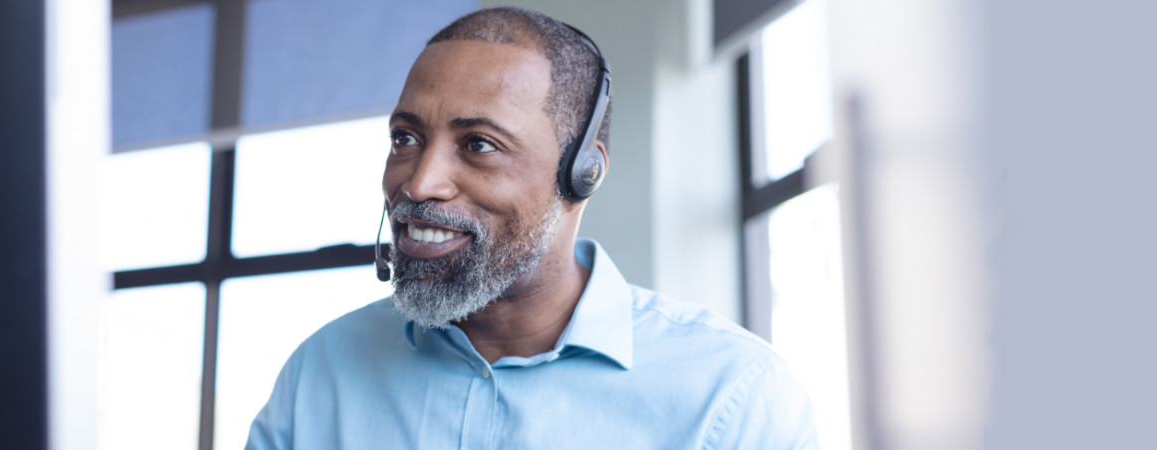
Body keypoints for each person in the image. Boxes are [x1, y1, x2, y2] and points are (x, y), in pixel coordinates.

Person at [243, 7, 819, 449]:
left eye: (479, 145)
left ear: (582, 173)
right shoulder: (320, 374)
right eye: (405, 138)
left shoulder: (731, 394)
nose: (419, 184)